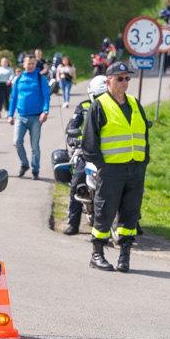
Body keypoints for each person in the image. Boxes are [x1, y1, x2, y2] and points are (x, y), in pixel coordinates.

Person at [81, 62, 150, 272]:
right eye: (120, 78)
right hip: (111, 170)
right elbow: (89, 143)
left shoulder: (135, 104)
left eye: (127, 78)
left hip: (135, 169)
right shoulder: (99, 105)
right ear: (108, 80)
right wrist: (102, 167)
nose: (124, 82)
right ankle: (97, 254)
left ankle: (124, 255)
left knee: (131, 212)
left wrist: (144, 161)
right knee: (105, 212)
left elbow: (144, 135)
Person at [63, 75, 108, 235]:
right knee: (77, 182)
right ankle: (73, 223)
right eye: (99, 96)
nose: (102, 99)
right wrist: (73, 139)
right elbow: (72, 126)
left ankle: (134, 221)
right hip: (86, 152)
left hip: (109, 153)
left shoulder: (115, 107)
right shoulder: (83, 107)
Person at [8, 55, 50, 179]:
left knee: (35, 146)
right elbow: (13, 98)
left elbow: (46, 95)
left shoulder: (40, 78)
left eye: (33, 63)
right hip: (21, 117)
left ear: (35, 65)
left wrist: (45, 111)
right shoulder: (19, 78)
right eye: (28, 63)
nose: (30, 66)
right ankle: (24, 164)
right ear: (24, 64)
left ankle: (35, 169)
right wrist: (10, 115)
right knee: (17, 142)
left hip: (36, 117)